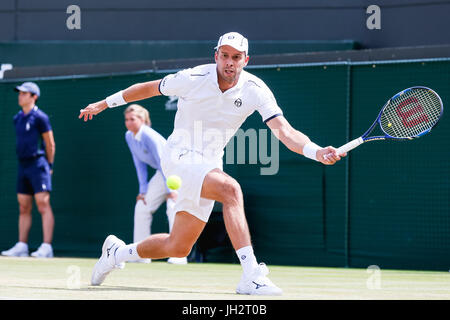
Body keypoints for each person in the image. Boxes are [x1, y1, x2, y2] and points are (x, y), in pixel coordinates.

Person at [79, 32, 345, 295]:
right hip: (178, 156)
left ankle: (117, 252)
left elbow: (285, 132)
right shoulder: (192, 78)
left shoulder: (256, 90)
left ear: (246, 60)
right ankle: (251, 275)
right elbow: (149, 88)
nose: (230, 62)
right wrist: (104, 103)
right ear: (216, 56)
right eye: (225, 55)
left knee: (178, 246)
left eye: (236, 57)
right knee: (231, 190)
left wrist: (316, 151)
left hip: (208, 164)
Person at [124, 104, 187, 265]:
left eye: (133, 119)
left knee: (173, 207)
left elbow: (163, 162)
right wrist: (143, 191)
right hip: (164, 172)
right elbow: (139, 164)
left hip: (176, 169)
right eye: (126, 120)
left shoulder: (148, 135)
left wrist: (170, 190)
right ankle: (140, 254)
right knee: (142, 206)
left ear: (143, 120)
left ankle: (179, 256)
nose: (129, 123)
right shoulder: (129, 136)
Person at [2, 82, 56, 258]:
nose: (20, 96)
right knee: (23, 206)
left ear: (34, 97)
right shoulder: (17, 118)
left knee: (43, 204)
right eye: (20, 93)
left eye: (25, 93)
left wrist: (49, 165)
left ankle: (47, 247)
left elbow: (50, 143)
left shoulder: (41, 117)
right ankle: (22, 245)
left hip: (38, 164)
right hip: (23, 165)